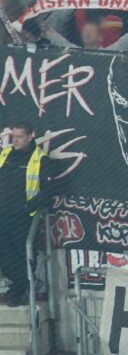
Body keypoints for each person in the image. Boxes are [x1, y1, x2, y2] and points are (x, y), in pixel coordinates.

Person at [0, 121, 59, 305]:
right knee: (4, 253)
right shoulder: (6, 154)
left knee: (22, 254)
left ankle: (21, 289)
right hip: (3, 213)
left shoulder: (40, 159)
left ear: (30, 136)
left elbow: (47, 191)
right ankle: (20, 285)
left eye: (19, 137)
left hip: (24, 217)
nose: (14, 141)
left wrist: (28, 208)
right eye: (13, 136)